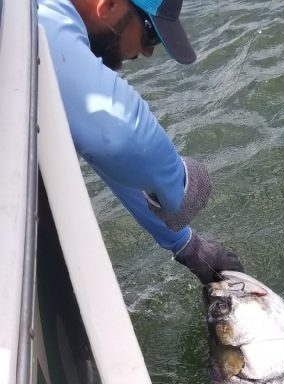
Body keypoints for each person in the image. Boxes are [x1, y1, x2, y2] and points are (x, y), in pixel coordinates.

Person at [37, 0, 244, 284]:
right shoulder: (39, 15)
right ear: (108, 5)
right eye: (150, 34)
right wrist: (182, 182)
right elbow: (122, 138)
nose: (146, 52)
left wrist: (186, 244)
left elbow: (107, 150)